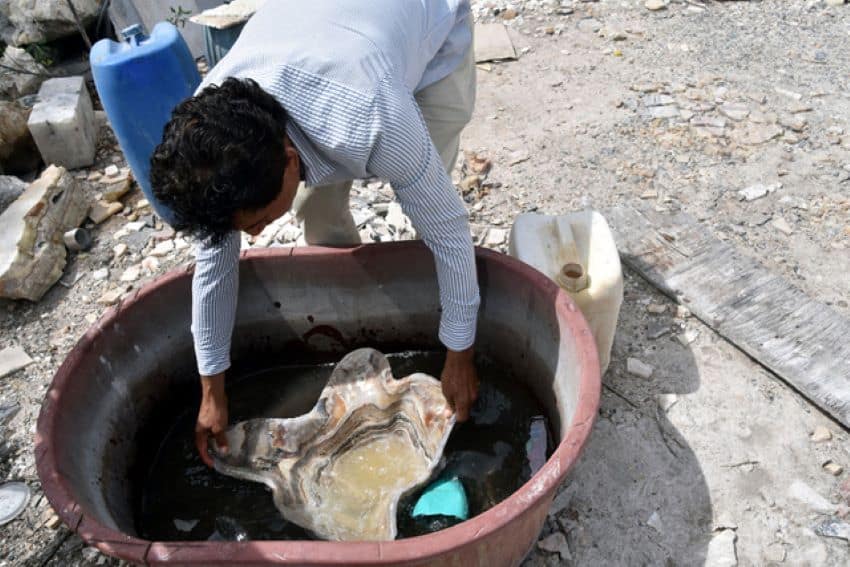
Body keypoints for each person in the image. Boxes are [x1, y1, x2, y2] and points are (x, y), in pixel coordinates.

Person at [150, 0, 481, 467]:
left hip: (428, 30)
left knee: (428, 208)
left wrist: (460, 355)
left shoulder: (376, 119)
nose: (257, 234)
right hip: (326, 37)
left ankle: (430, 299)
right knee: (318, 214)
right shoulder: (213, 133)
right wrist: (212, 389)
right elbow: (214, 268)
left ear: (289, 162)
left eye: (259, 222)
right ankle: (354, 297)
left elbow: (449, 230)